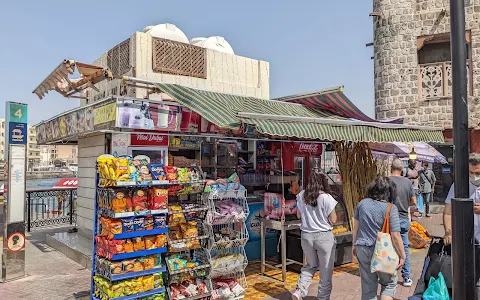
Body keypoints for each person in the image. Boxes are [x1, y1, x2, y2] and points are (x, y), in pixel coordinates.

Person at [352, 176, 406, 300]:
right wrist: (403, 255)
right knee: (389, 284)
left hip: (362, 248)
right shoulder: (391, 208)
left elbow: (356, 228)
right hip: (383, 252)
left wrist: (354, 246)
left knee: (368, 289)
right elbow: (396, 235)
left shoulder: (362, 203)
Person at [291, 172, 338, 300]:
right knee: (325, 271)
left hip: (306, 236)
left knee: (310, 265)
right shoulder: (326, 197)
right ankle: (323, 298)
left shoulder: (301, 195)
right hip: (324, 237)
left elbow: (298, 216)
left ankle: (299, 291)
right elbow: (333, 219)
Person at [443, 153, 480, 297]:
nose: (474, 176)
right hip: (466, 242)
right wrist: (449, 232)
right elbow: (447, 212)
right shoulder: (459, 186)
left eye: (478, 173)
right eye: (471, 172)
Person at [389, 158, 416, 287]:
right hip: (404, 217)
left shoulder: (386, 181)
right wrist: (406, 205)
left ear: (391, 168)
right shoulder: (408, 183)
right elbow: (414, 202)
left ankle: (389, 274)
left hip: (389, 218)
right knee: (403, 248)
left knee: (388, 246)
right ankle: (406, 277)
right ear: (402, 170)